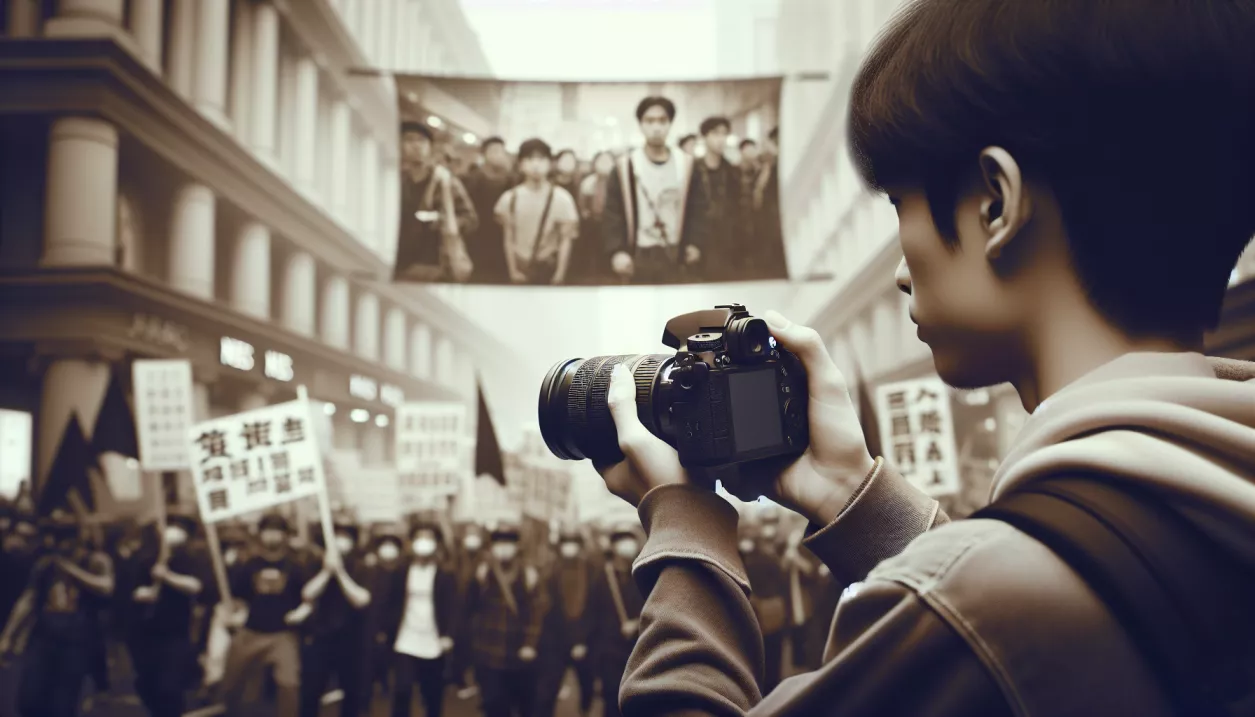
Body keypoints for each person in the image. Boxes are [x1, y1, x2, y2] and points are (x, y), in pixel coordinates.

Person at [589, 0, 1255, 714]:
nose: (901, 270)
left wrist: (686, 523)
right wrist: (852, 492)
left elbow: (986, 616)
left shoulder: (985, 602)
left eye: (897, 201)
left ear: (996, 204)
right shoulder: (1212, 499)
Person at [0, 512, 114, 717]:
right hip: (44, 638)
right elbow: (28, 599)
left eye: (65, 536)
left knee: (63, 704)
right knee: (29, 699)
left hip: (77, 641)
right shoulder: (46, 564)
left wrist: (72, 571)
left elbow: (106, 586)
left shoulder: (95, 560)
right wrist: (8, 635)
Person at [603, 96, 709, 284]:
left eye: (662, 121)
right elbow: (612, 212)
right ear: (641, 125)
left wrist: (695, 243)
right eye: (649, 121)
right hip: (639, 253)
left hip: (676, 252)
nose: (656, 127)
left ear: (670, 124)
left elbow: (698, 208)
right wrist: (616, 251)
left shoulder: (686, 164)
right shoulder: (625, 166)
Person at [121, 511, 215, 717]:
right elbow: (134, 590)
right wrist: (145, 593)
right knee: (146, 683)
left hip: (176, 633)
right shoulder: (147, 559)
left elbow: (195, 586)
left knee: (170, 688)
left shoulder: (191, 559)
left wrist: (168, 577)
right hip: (145, 633)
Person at [220, 514, 313, 717]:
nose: (272, 536)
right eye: (268, 531)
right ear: (260, 535)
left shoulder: (296, 567)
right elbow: (239, 598)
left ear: (285, 536)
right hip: (251, 632)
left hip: (282, 635)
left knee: (289, 685)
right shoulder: (250, 565)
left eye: (277, 531)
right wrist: (234, 615)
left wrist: (302, 612)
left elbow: (308, 599)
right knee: (231, 683)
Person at [467, 520, 547, 717]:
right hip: (489, 653)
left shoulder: (528, 574)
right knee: (494, 706)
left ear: (517, 546)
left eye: (509, 542)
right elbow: (469, 607)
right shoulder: (483, 572)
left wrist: (530, 644)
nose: (503, 548)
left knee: (522, 706)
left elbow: (537, 612)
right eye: (498, 543)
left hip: (519, 654)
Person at [381, 521, 460, 717]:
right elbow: (391, 602)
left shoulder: (445, 574)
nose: (423, 543)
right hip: (405, 639)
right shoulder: (401, 571)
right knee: (402, 691)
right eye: (419, 538)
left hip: (433, 641)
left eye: (428, 538)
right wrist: (386, 630)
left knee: (432, 694)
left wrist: (448, 635)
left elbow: (453, 607)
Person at [299, 521, 373, 717]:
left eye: (345, 537)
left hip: (352, 639)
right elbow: (307, 594)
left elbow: (361, 599)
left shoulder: (361, 566)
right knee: (311, 691)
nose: (341, 542)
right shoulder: (316, 564)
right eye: (336, 536)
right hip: (321, 637)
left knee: (351, 692)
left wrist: (339, 572)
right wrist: (326, 571)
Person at [394, 121, 478, 282]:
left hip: (435, 264)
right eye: (409, 140)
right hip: (399, 264)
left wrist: (443, 221)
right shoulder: (394, 179)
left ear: (430, 147)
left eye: (421, 140)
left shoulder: (445, 181)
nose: (416, 145)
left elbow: (471, 219)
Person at [495, 138, 581, 285]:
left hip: (547, 267)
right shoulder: (509, 198)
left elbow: (565, 240)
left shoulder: (562, 199)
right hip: (519, 264)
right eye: (529, 159)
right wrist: (513, 271)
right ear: (520, 165)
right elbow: (508, 237)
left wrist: (559, 274)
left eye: (541, 159)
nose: (535, 165)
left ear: (550, 164)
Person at [535, 528, 596, 717]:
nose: (569, 548)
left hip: (585, 641)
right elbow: (546, 607)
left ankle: (585, 709)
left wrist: (582, 640)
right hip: (555, 641)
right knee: (546, 692)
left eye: (573, 544)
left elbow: (595, 607)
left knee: (587, 687)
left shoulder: (592, 570)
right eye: (566, 543)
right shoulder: (550, 570)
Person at [587, 524, 644, 717]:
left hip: (639, 649)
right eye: (620, 540)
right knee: (612, 699)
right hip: (609, 651)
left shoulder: (644, 573)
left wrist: (637, 623)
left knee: (637, 700)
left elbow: (656, 607)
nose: (626, 545)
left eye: (629, 539)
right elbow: (593, 615)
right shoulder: (601, 575)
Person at [693, 116, 744, 281]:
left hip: (727, 244)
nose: (721, 139)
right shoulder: (693, 171)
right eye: (715, 134)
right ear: (704, 137)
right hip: (700, 243)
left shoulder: (732, 172)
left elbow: (740, 209)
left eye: (724, 134)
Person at [463, 136, 517, 283]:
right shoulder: (473, 178)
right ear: (484, 154)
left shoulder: (510, 179)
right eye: (494, 150)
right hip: (478, 236)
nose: (498, 154)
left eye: (501, 151)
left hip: (503, 235)